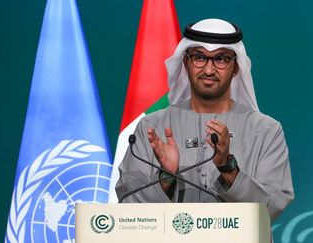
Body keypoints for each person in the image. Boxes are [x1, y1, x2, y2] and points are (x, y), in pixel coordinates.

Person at [116, 18, 294, 221]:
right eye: (199, 57)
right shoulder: (152, 127)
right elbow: (127, 205)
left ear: (236, 67)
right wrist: (166, 175)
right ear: (185, 62)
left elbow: (273, 206)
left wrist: (228, 168)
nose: (209, 70)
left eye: (221, 59)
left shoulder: (266, 131)